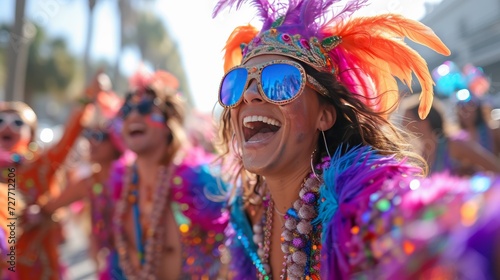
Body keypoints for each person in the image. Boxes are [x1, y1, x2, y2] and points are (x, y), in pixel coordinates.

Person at [212, 0, 500, 279]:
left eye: (281, 81)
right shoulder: (246, 220)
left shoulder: (359, 206)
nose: (249, 94)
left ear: (324, 115)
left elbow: (444, 222)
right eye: (237, 83)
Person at [110, 69, 229, 279]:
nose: (134, 115)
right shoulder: (123, 186)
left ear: (167, 123)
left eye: (146, 108)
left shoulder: (200, 183)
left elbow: (234, 251)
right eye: (127, 110)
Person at [0, 72, 105, 280]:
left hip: (38, 268)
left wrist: (90, 94)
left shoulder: (41, 165)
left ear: (31, 135)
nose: (7, 126)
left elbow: (70, 135)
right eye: (0, 120)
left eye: (18, 123)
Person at [22, 94, 128, 280]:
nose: (91, 141)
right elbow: (50, 206)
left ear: (117, 141)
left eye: (100, 136)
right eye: (89, 134)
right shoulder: (89, 182)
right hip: (110, 268)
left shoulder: (132, 177)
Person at [402, 94, 500, 175]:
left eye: (407, 120)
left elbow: (494, 167)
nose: (403, 125)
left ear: (424, 121)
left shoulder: (454, 145)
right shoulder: (420, 156)